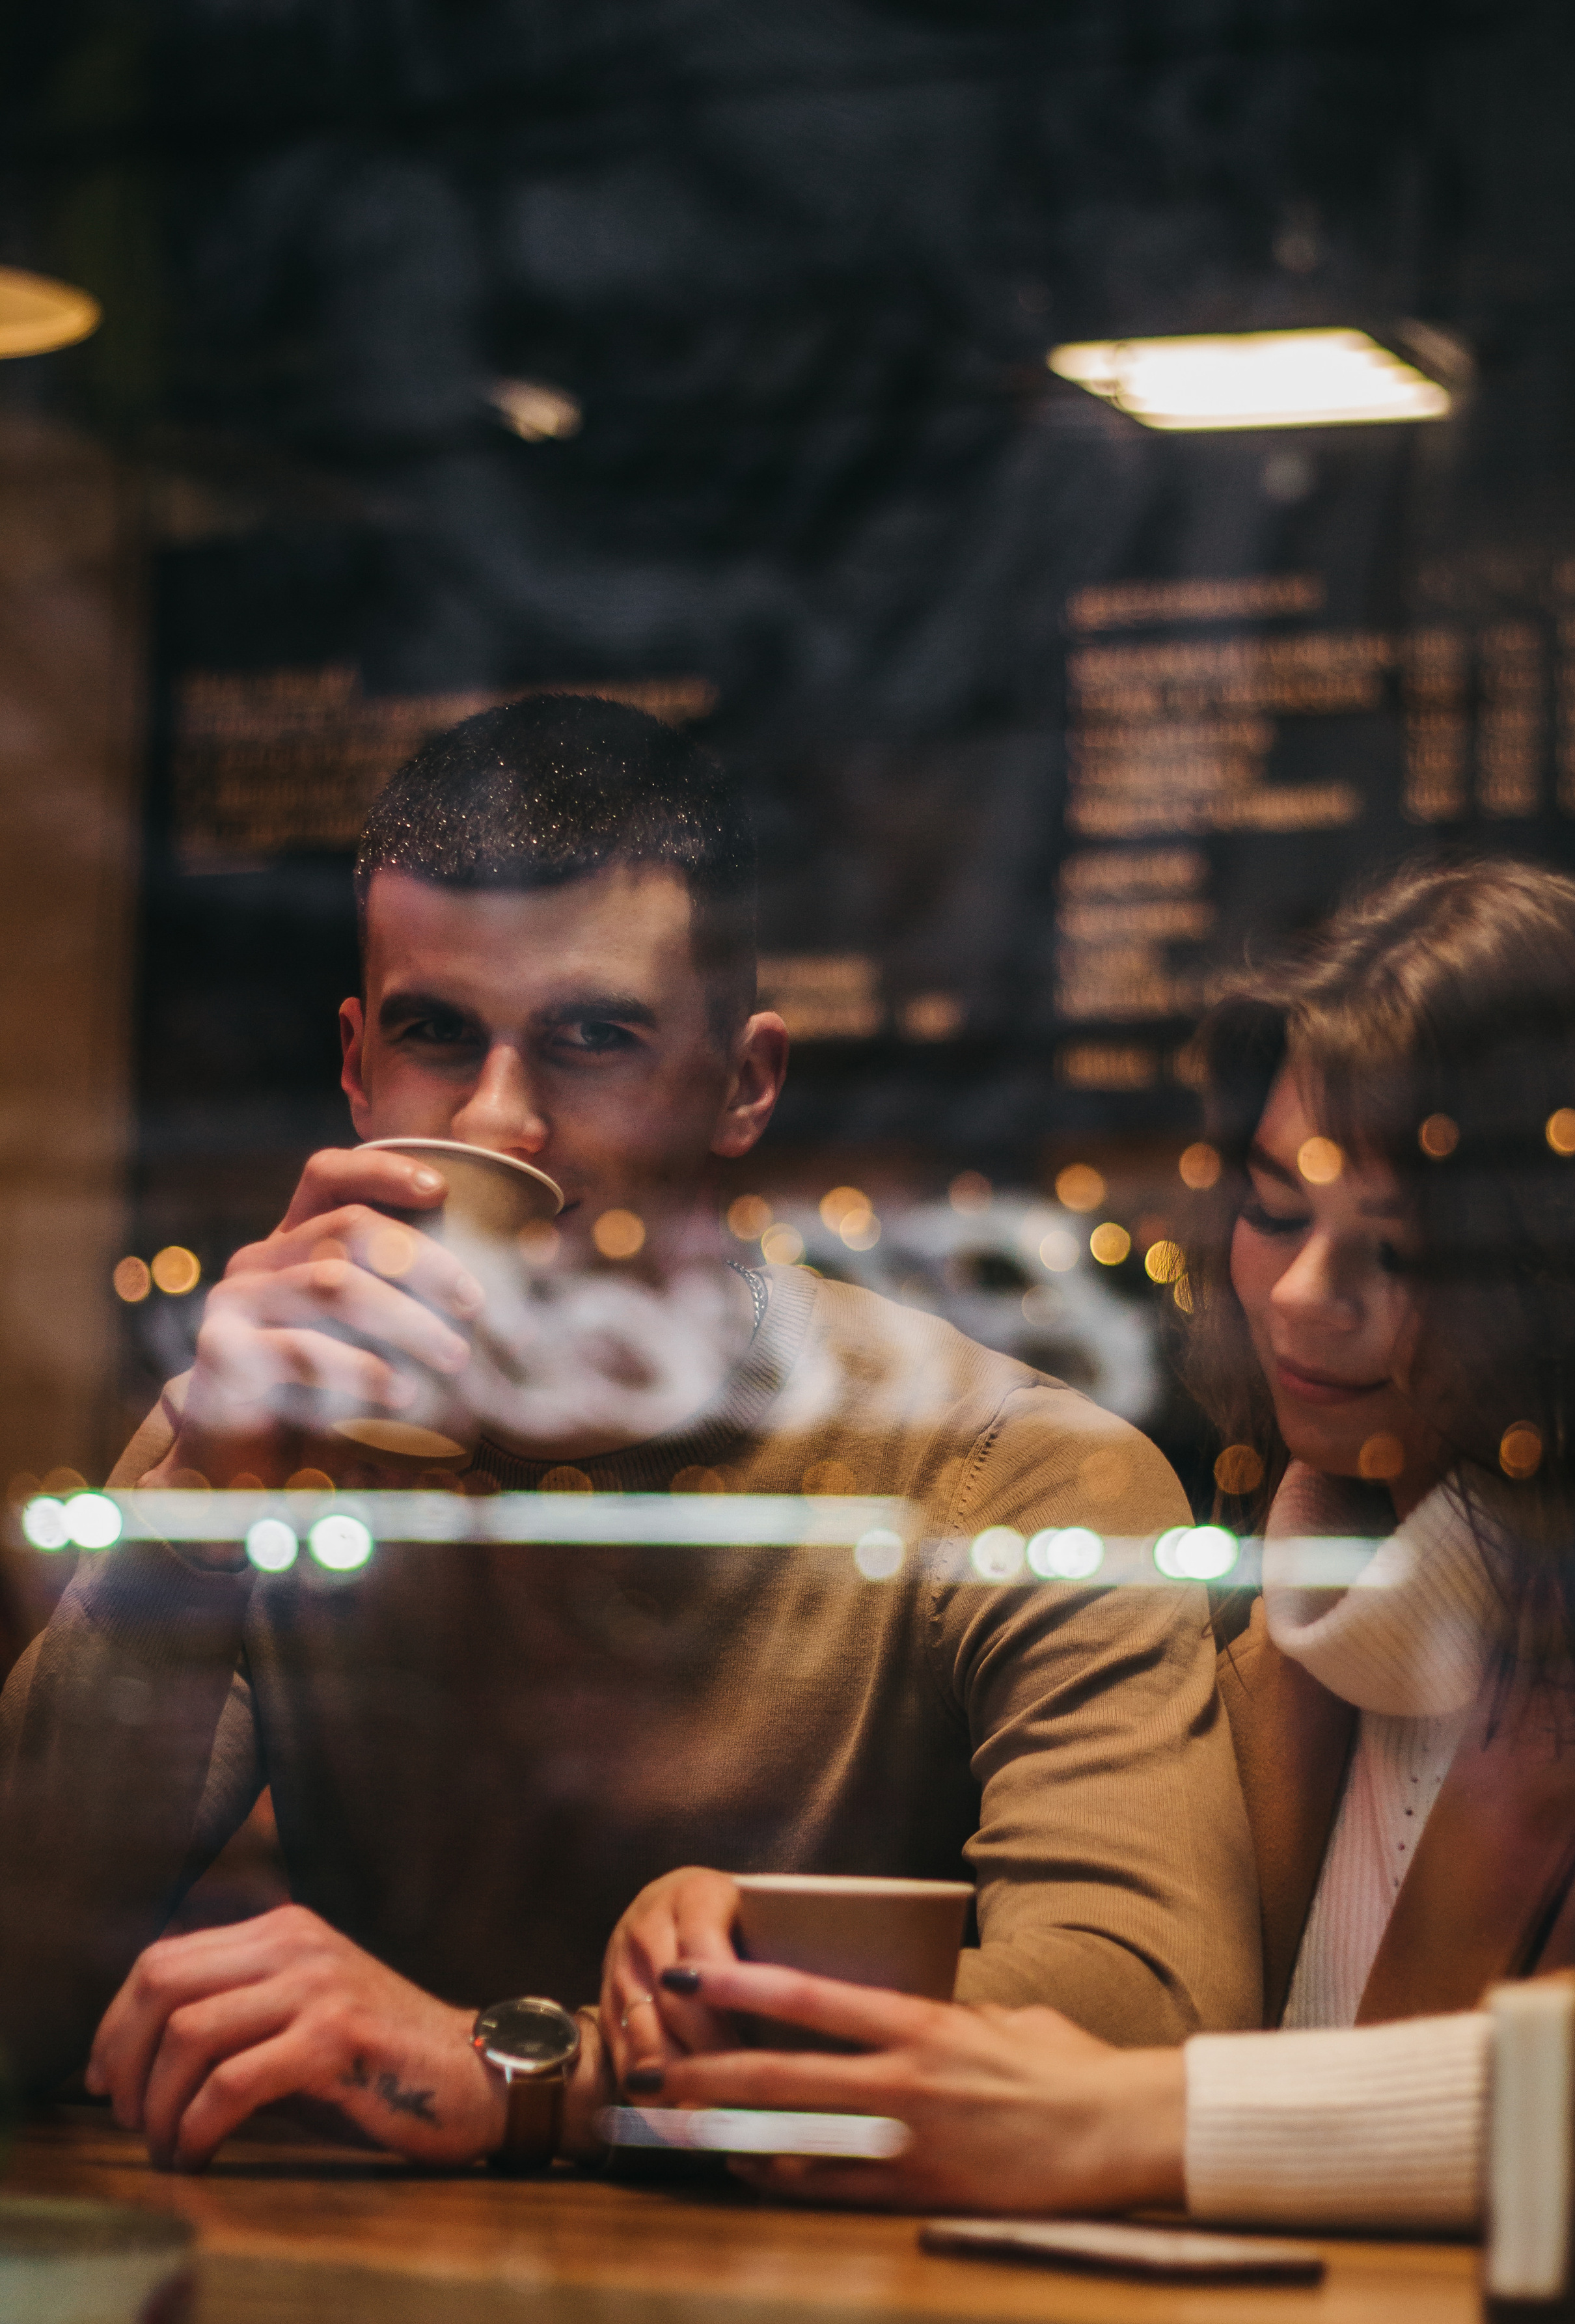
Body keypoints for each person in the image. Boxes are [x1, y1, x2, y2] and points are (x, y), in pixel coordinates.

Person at [0, 691, 1257, 2181]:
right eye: (434, 1036)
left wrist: (537, 2076)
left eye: (593, 1036)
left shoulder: (1001, 1469)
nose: (502, 1118)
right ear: (355, 1066)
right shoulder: (266, 1439)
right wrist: (200, 1507)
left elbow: (1147, 2026)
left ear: (744, 1082)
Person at [636, 856, 1575, 2231]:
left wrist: (1149, 2115)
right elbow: (1079, 2006)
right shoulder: (1283, 1645)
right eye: (1273, 1213)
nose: (1301, 1298)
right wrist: (748, 1951)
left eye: (1402, 1250)